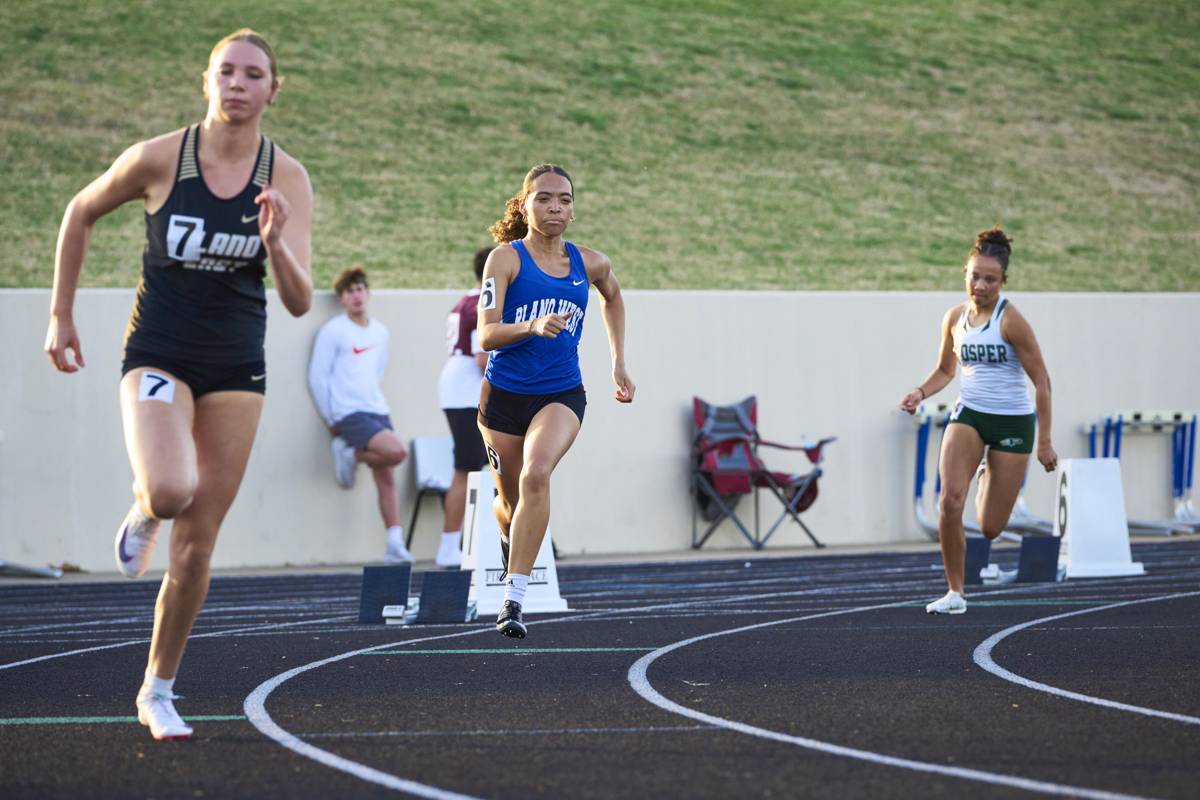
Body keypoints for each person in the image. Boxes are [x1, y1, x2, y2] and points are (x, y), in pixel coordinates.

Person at [43, 30, 313, 739]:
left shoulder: (286, 176)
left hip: (235, 367)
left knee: (197, 542)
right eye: (225, 71)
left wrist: (276, 242)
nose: (237, 84)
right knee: (168, 490)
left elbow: (298, 300)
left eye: (253, 74)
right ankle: (143, 506)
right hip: (159, 353)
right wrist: (60, 315)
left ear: (272, 90)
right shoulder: (162, 158)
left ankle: (157, 689)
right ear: (206, 81)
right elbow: (80, 211)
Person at [477, 163, 635, 638]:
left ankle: (513, 599)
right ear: (524, 205)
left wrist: (618, 362)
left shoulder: (589, 263)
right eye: (544, 198)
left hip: (561, 393)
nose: (555, 207)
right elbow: (486, 335)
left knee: (537, 473)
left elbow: (613, 297)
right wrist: (531, 325)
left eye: (564, 199)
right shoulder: (504, 260)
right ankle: (509, 535)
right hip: (503, 398)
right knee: (509, 501)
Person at [899, 227, 1057, 615]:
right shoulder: (954, 318)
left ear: (1003, 280)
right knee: (950, 502)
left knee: (989, 527)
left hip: (1012, 423)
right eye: (975, 275)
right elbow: (945, 369)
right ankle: (956, 593)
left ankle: (988, 473)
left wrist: (1045, 441)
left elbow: (1042, 380)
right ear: (964, 273)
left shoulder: (1011, 321)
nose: (981, 285)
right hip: (968, 414)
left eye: (990, 278)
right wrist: (920, 392)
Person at [308, 267, 412, 563]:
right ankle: (349, 452)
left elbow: (377, 371)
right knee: (396, 451)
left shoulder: (380, 331)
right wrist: (331, 419)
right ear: (341, 298)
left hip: (377, 409)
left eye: (359, 289)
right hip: (348, 413)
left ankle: (394, 542)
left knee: (386, 474)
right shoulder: (334, 331)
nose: (356, 296)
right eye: (349, 291)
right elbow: (318, 377)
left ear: (367, 293)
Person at [435, 246, 493, 568]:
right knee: (467, 467)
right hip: (466, 390)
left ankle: (462, 541)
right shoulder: (483, 305)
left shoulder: (465, 301)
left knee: (475, 466)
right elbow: (483, 358)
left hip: (459, 386)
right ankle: (450, 544)